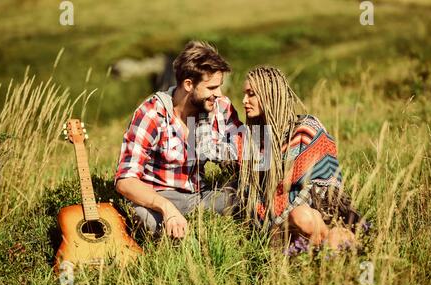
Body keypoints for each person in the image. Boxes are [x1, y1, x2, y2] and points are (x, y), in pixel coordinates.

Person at [115, 41, 242, 239]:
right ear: (189, 85)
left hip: (201, 196)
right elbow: (125, 181)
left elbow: (242, 153)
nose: (219, 94)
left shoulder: (220, 107)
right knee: (147, 220)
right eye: (211, 88)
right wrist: (167, 208)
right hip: (158, 198)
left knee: (248, 198)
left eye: (219, 87)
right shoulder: (151, 114)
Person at [238, 66, 365, 250]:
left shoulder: (305, 130)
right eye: (244, 94)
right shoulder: (255, 140)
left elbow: (324, 187)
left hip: (318, 214)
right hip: (276, 226)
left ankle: (340, 256)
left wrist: (289, 213)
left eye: (251, 94)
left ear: (269, 95)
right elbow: (255, 192)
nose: (244, 101)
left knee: (305, 219)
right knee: (295, 223)